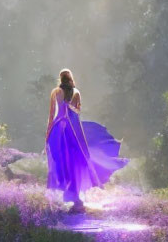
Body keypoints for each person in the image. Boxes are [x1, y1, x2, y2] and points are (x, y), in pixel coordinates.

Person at [44, 67, 128, 212]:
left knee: (61, 161)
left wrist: (48, 134)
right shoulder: (76, 93)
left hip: (59, 128)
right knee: (75, 161)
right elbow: (77, 113)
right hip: (71, 129)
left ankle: (69, 195)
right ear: (70, 78)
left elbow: (52, 115)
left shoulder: (55, 92)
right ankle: (75, 196)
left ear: (60, 78)